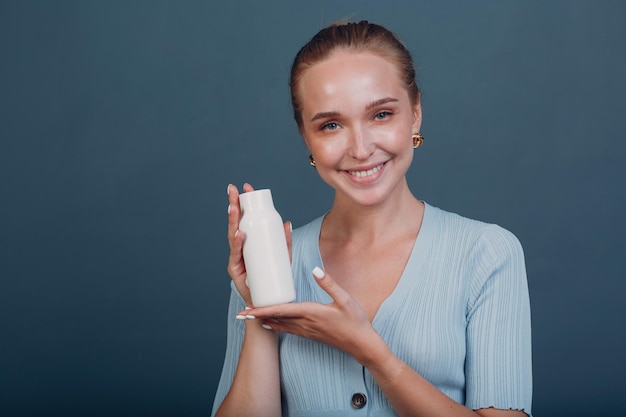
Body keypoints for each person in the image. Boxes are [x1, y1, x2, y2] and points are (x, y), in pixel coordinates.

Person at [212, 20, 532, 417]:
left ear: (415, 114)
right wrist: (262, 310)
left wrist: (374, 355)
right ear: (306, 137)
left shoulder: (487, 254)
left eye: (381, 114)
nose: (361, 149)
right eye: (331, 125)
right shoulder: (269, 262)